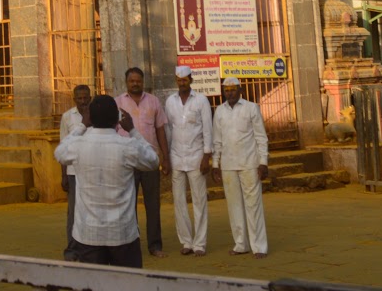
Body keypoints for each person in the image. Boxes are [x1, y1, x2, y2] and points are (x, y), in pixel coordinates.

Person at [53, 94, 159, 269]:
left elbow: (60, 152)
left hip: (89, 233)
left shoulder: (78, 145)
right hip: (122, 232)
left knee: (93, 284)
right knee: (127, 284)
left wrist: (81, 126)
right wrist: (133, 130)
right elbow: (153, 160)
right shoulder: (127, 146)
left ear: (90, 118)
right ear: (117, 120)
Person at [211, 76, 268, 259]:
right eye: (226, 90)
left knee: (254, 205)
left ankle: (259, 246)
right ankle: (241, 244)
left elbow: (261, 137)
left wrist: (263, 162)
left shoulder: (252, 108)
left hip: (250, 163)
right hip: (228, 165)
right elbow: (217, 140)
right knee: (234, 206)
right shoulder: (219, 111)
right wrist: (215, 164)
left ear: (240, 90)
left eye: (233, 89)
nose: (230, 93)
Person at [115, 67, 169, 257]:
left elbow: (161, 130)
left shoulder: (153, 101)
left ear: (143, 81)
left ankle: (155, 246)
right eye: (132, 81)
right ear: (126, 82)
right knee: (128, 206)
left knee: (153, 205)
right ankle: (131, 245)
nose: (135, 84)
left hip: (149, 161)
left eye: (138, 80)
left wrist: (165, 157)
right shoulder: (117, 104)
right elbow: (111, 132)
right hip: (126, 162)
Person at [163, 66, 212, 256]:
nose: (181, 82)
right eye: (178, 79)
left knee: (199, 201)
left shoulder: (201, 100)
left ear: (191, 80)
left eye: (185, 79)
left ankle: (200, 243)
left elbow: (207, 128)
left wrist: (206, 156)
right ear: (176, 80)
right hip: (176, 157)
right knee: (179, 202)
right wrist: (166, 157)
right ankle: (186, 241)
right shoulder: (170, 101)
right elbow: (168, 130)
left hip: (196, 157)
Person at [58, 85, 93, 260]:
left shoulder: (96, 116)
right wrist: (63, 175)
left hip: (92, 171)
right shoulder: (67, 117)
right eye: (79, 98)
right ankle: (72, 249)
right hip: (73, 172)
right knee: (73, 212)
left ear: (90, 98)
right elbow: (63, 146)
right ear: (74, 99)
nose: (83, 101)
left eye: (86, 98)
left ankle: (91, 247)